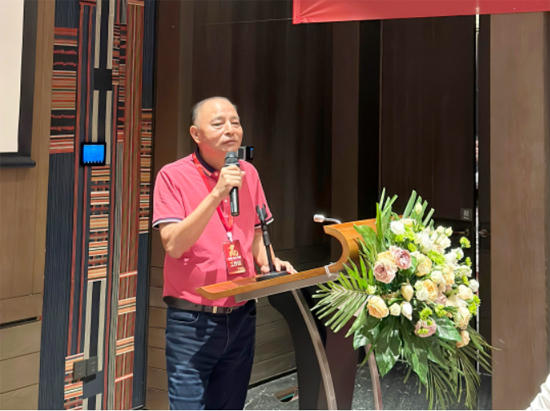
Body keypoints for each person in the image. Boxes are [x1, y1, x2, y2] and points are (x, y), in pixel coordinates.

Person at [152, 97, 296, 410]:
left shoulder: (248, 174)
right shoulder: (172, 176)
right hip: (192, 321)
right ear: (196, 133)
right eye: (218, 123)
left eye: (235, 122)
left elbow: (255, 235)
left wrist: (270, 261)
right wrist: (218, 193)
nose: (230, 129)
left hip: (242, 315)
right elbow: (173, 244)